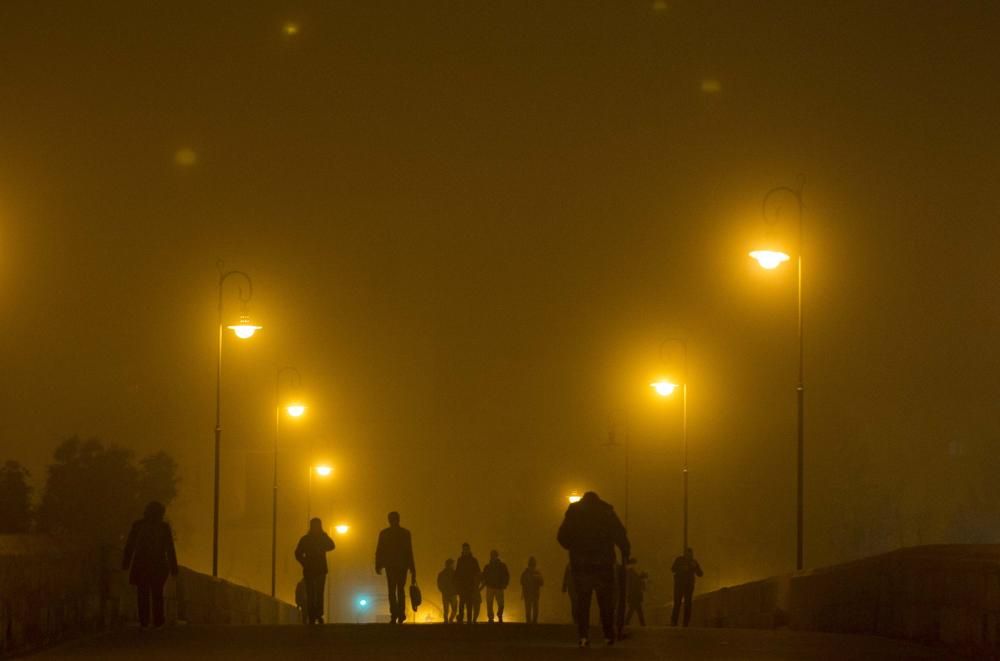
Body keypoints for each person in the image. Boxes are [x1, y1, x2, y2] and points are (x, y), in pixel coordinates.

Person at [557, 491, 630, 648]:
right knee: (605, 602)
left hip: (581, 564)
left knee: (583, 602)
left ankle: (583, 635)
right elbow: (620, 533)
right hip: (603, 563)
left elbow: (562, 536)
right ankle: (608, 634)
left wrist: (574, 548)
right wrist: (625, 551)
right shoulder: (607, 511)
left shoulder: (574, 511)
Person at [122, 501, 178, 629]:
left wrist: (125, 563)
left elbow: (129, 546)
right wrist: (174, 568)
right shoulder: (164, 528)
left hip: (141, 564)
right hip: (159, 564)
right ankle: (158, 620)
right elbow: (170, 549)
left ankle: (144, 620)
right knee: (157, 592)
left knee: (142, 592)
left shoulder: (138, 525)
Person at [375, 511, 416, 624]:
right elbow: (409, 551)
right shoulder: (405, 533)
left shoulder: (384, 533)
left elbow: (380, 550)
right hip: (402, 565)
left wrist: (378, 564)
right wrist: (412, 568)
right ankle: (401, 613)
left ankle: (394, 614)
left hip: (390, 565)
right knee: (400, 589)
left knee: (392, 590)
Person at [295, 517, 335, 624]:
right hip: (319, 569)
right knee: (316, 593)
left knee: (312, 593)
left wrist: (304, 563)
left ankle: (314, 615)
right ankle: (316, 614)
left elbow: (298, 553)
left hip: (312, 569)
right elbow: (332, 545)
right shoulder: (317, 538)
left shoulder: (306, 539)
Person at [671, 547, 703, 626]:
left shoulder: (693, 562)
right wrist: (681, 568)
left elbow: (700, 574)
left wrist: (695, 566)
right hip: (680, 585)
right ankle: (674, 621)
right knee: (677, 603)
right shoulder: (679, 560)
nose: (689, 556)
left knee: (687, 603)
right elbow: (673, 569)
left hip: (688, 586)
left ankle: (685, 622)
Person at [453, 542, 481, 624]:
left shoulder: (470, 560)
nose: (465, 550)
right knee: (462, 603)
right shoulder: (463, 560)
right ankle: (463, 620)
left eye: (466, 549)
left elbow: (477, 572)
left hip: (469, 585)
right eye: (464, 549)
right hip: (464, 585)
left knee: (468, 604)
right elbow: (457, 573)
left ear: (468, 550)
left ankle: (467, 620)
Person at [481, 549, 510, 623]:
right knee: (490, 603)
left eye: (494, 556)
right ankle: (491, 617)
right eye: (492, 556)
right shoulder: (489, 566)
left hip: (498, 587)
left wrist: (505, 584)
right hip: (491, 587)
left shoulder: (501, 566)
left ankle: (498, 615)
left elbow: (506, 576)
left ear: (496, 556)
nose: (493, 557)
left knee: (500, 604)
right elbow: (484, 576)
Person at [520, 556, 543, 624]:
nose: (532, 567)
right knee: (532, 609)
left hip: (531, 594)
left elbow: (522, 582)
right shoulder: (536, 573)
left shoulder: (525, 573)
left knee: (530, 609)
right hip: (532, 594)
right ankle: (532, 622)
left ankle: (531, 622)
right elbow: (522, 582)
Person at [625, 558, 648, 627]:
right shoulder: (631, 573)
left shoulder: (630, 573)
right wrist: (642, 579)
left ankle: (628, 622)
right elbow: (635, 583)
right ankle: (642, 624)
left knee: (633, 610)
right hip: (634, 595)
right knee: (637, 610)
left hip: (633, 595)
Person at [437, 558, 458, 623]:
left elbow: (439, 584)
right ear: (451, 564)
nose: (454, 565)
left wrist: (442, 590)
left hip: (445, 594)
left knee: (446, 610)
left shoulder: (441, 574)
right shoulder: (455, 573)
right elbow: (458, 583)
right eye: (453, 564)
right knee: (454, 609)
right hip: (453, 594)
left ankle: (446, 622)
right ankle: (450, 620)